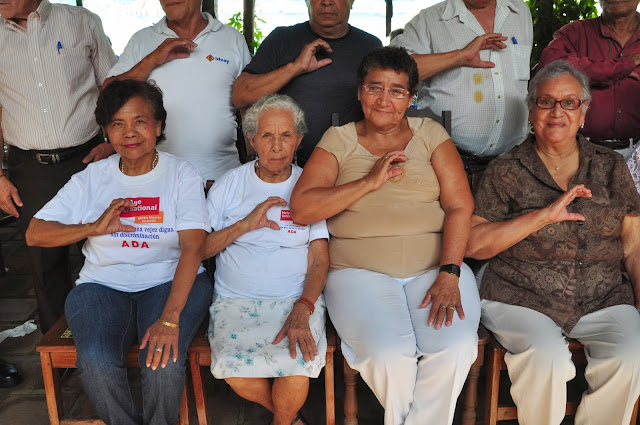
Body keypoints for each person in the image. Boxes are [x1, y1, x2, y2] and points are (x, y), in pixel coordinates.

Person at [290, 47, 480, 425]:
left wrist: (450, 273)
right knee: (389, 354)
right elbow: (303, 208)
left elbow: (460, 206)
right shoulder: (338, 139)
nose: (384, 99)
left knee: (456, 347)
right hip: (358, 273)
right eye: (375, 88)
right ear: (360, 92)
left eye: (397, 91)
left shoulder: (430, 135)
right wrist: (368, 182)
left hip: (436, 268)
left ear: (411, 98)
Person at [25, 80, 213, 425]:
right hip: (102, 285)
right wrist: (92, 228)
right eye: (117, 123)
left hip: (168, 280)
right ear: (105, 132)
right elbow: (35, 234)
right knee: (95, 361)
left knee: (162, 361)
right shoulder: (92, 177)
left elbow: (193, 247)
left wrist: (170, 319)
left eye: (140, 121)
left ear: (158, 126)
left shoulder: (181, 173)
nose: (130, 132)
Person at [467, 60, 640, 425]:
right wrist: (542, 216)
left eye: (569, 103)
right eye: (546, 102)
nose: (557, 112)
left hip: (603, 294)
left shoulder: (610, 166)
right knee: (545, 358)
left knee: (632, 355)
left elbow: (633, 239)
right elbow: (475, 245)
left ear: (584, 111)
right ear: (531, 110)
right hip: (519, 294)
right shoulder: (505, 169)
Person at [202, 94, 329, 425]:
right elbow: (199, 250)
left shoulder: (310, 186)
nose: (276, 146)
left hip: (295, 299)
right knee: (232, 368)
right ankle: (288, 419)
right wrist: (245, 224)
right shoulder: (230, 185)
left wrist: (304, 306)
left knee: (298, 364)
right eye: (267, 136)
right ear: (252, 140)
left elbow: (319, 259)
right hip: (235, 300)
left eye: (286, 135)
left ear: (299, 140)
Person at [0, 0, 117, 336]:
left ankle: (108, 334)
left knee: (103, 248)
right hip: (30, 168)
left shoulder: (81, 21)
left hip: (89, 158)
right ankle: (58, 343)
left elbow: (112, 87)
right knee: (44, 260)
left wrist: (111, 142)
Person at [390, 0, 533, 187]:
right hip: (449, 161)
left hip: (513, 160)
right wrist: (460, 56)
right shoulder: (430, 19)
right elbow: (392, 73)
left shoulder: (520, 10)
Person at [105, 0, 250, 181]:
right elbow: (108, 94)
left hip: (222, 177)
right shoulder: (142, 40)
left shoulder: (232, 39)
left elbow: (251, 106)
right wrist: (152, 59)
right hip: (160, 180)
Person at [232, 0, 381, 166]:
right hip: (286, 165)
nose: (327, 2)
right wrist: (295, 67)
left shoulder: (370, 46)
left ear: (351, 1)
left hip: (350, 164)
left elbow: (386, 107)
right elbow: (241, 96)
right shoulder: (282, 39)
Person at [539, 0, 640, 159]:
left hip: (637, 154)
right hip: (581, 152)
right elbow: (549, 64)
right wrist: (618, 68)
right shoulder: (577, 32)